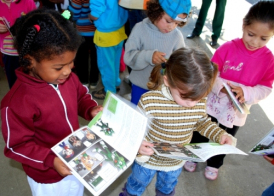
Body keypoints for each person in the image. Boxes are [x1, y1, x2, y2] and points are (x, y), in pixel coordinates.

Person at [1, 9, 103, 196]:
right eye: (58, 67)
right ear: (30, 61)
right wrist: (50, 159)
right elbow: (17, 146)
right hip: (47, 175)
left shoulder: (67, 78)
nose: (67, 71)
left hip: (76, 158)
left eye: (71, 63)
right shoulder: (17, 102)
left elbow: (81, 96)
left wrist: (90, 109)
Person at [119, 47, 236, 196]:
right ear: (167, 81)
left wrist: (220, 135)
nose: (192, 104)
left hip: (175, 161)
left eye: (198, 98)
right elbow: (135, 128)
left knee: (167, 188)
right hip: (147, 160)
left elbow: (201, 122)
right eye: (185, 97)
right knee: (136, 186)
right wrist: (138, 145)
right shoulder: (150, 101)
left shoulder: (197, 98)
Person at [184, 0, 274, 181]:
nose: (255, 42)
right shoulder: (227, 48)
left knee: (225, 138)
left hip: (236, 112)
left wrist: (246, 92)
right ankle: (194, 154)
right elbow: (210, 73)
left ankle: (214, 164)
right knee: (201, 130)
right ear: (243, 25)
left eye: (264, 39)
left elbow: (265, 88)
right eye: (251, 34)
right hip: (212, 104)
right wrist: (221, 87)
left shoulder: (268, 59)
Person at [124, 0, 190, 105]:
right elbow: (128, 57)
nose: (171, 27)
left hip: (164, 91)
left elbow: (182, 62)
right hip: (140, 87)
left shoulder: (177, 36)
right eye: (169, 21)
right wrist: (148, 56)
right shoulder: (139, 29)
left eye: (177, 23)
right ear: (156, 11)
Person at [89, 0, 128, 100]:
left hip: (106, 34)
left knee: (106, 66)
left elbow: (96, 13)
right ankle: (115, 84)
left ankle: (109, 91)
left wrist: (90, 16)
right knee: (115, 62)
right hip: (119, 29)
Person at [0, 0, 36, 88]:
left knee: (31, 82)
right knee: (13, 84)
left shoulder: (28, 2)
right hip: (8, 52)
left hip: (28, 50)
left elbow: (37, 22)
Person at [69, 0, 99, 89]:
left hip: (82, 31)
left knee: (81, 58)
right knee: (95, 57)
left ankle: (83, 81)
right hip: (96, 31)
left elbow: (74, 13)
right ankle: (94, 81)